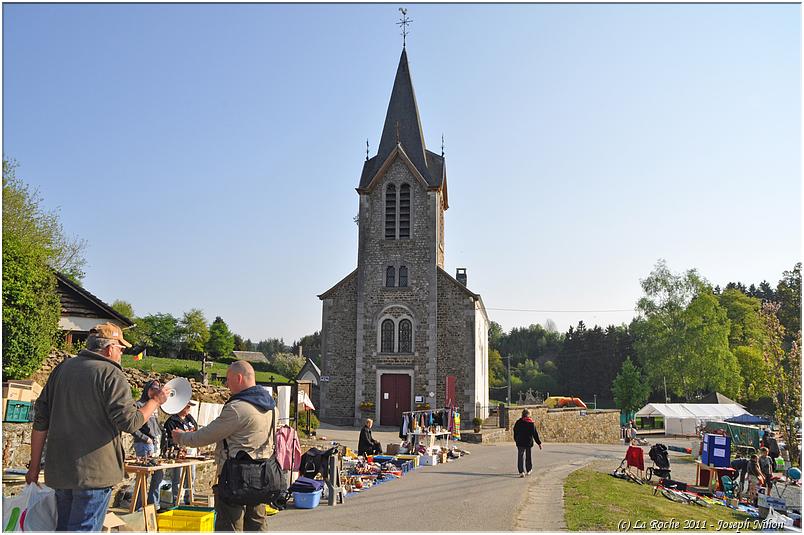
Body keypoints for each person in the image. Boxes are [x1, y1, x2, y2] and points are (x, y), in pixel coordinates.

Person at [27, 322, 170, 532]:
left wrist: (33, 466)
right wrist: (155, 402)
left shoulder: (62, 369)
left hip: (61, 470)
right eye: (121, 349)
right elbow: (130, 422)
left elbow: (41, 420)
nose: (121, 354)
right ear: (110, 348)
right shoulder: (111, 373)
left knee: (64, 528)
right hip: (94, 473)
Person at [172, 361, 275, 532]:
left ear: (239, 378)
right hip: (262, 475)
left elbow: (205, 436)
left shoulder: (237, 408)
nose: (226, 385)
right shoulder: (271, 406)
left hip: (235, 477)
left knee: (230, 526)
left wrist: (181, 437)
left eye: (228, 379)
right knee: (257, 525)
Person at [132, 380, 165, 510]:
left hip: (155, 443)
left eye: (158, 388)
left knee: (159, 473)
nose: (156, 390)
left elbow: (155, 425)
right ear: (147, 389)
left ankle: (153, 505)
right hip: (144, 444)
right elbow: (132, 427)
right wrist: (145, 438)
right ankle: (140, 507)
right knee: (143, 476)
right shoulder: (139, 404)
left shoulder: (155, 406)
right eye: (154, 388)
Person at [162, 400, 199, 505]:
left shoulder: (190, 418)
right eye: (187, 407)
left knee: (191, 476)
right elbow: (167, 439)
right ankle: (176, 499)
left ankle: (189, 498)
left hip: (191, 452)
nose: (189, 409)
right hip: (179, 453)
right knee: (177, 478)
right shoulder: (171, 421)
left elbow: (196, 430)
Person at [513, 409, 542, 477]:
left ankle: (521, 472)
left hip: (520, 442)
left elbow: (515, 431)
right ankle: (528, 470)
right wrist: (539, 443)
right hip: (528, 442)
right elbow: (535, 434)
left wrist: (516, 439)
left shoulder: (518, 422)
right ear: (528, 415)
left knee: (520, 456)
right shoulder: (531, 423)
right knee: (528, 456)